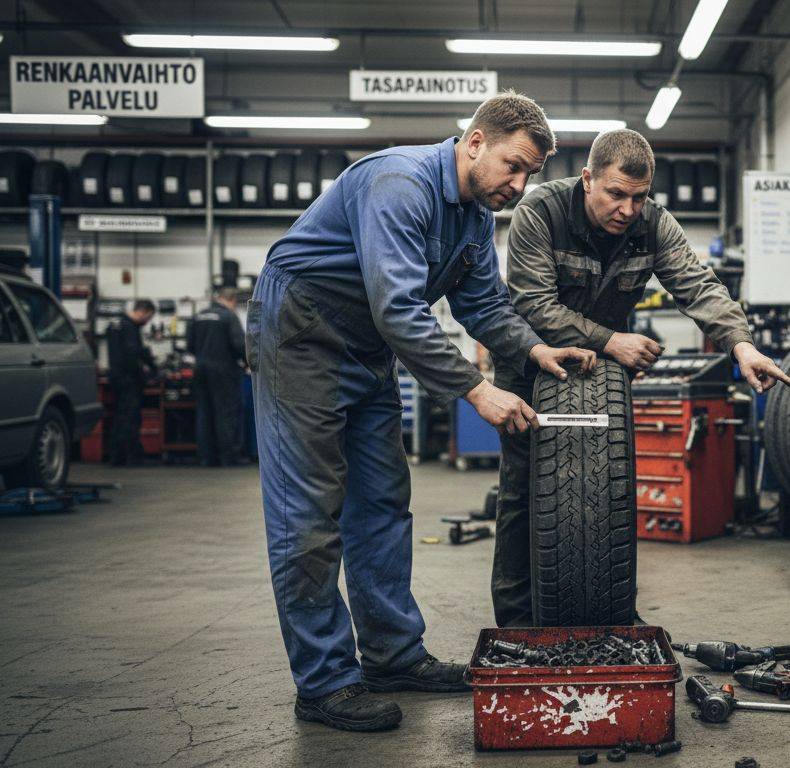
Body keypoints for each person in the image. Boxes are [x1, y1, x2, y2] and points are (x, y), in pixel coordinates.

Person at [248, 91, 596, 733]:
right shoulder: (398, 183)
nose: (518, 187)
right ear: (473, 142)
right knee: (310, 510)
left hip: (366, 342)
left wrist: (537, 347)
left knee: (382, 500)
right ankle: (324, 682)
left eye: (529, 176)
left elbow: (485, 306)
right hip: (301, 330)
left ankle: (392, 656)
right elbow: (399, 308)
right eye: (513, 167)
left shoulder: (471, 215)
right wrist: (476, 389)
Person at [491, 128, 790, 628]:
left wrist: (742, 346)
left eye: (639, 196)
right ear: (588, 179)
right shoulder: (540, 212)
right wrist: (611, 340)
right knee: (527, 490)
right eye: (616, 194)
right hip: (533, 365)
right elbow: (533, 302)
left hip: (603, 377)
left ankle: (611, 607)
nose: (628, 209)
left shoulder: (652, 225)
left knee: (610, 486)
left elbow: (698, 286)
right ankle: (519, 625)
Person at [187, 287, 246, 466]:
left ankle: (206, 457)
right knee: (226, 412)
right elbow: (239, 343)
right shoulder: (229, 316)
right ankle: (227, 457)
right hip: (223, 370)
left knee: (204, 412)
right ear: (231, 301)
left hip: (200, 369)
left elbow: (189, 345)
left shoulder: (197, 316)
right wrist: (248, 361)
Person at [105, 299, 155, 466]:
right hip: (128, 378)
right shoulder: (130, 327)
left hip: (115, 375)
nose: (147, 322)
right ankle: (133, 457)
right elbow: (132, 353)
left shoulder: (115, 323)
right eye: (148, 317)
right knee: (130, 418)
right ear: (143, 312)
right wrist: (145, 374)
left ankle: (116, 456)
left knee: (120, 416)